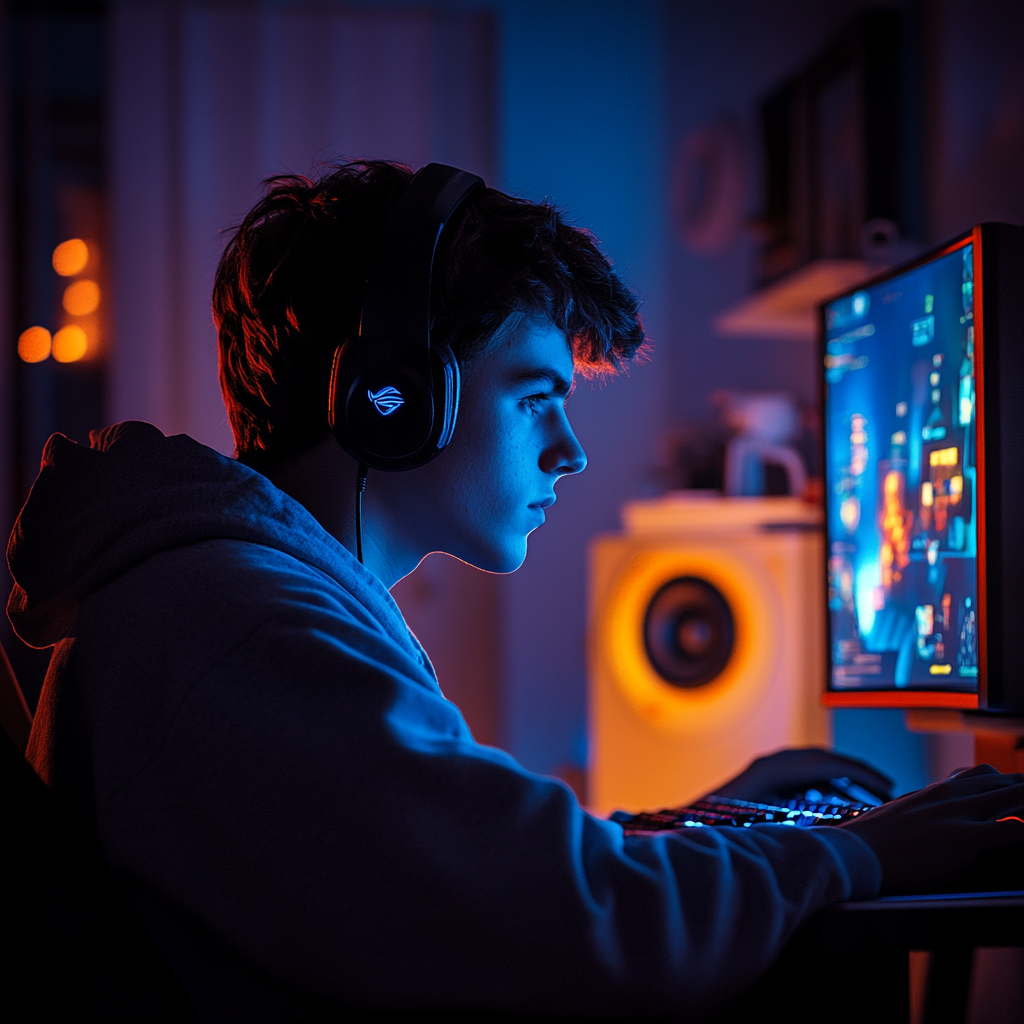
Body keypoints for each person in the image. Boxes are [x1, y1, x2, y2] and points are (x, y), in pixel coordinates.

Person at [10, 161, 1023, 1022]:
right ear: (391, 393)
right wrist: (854, 856)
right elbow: (562, 926)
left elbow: (477, 877)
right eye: (536, 396)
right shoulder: (241, 628)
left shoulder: (240, 596)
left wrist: (688, 828)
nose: (571, 451)